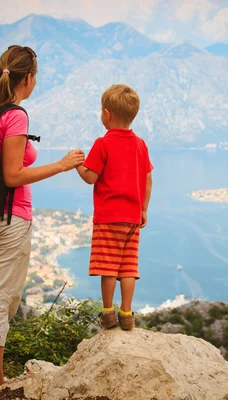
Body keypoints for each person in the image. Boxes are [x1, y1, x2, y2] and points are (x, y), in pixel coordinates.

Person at [0, 45, 85, 397]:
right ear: (28, 78)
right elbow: (12, 175)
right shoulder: (15, 115)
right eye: (36, 75)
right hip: (10, 219)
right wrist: (61, 165)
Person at [76, 84, 153, 331]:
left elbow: (90, 177)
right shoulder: (140, 144)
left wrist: (76, 164)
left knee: (108, 267)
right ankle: (127, 313)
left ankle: (108, 313)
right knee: (128, 267)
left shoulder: (103, 143)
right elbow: (148, 178)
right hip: (132, 218)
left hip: (109, 217)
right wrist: (143, 209)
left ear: (106, 114)